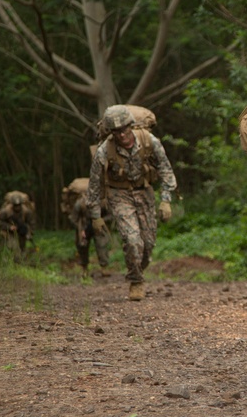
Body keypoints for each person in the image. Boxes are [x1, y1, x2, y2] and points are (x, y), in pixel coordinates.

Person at [87, 105, 177, 301]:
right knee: (132, 239)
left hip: (144, 191)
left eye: (125, 129)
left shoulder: (148, 140)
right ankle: (136, 281)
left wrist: (166, 200)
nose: (122, 135)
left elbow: (165, 169)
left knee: (148, 243)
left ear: (132, 126)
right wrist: (95, 216)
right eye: (116, 132)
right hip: (119, 195)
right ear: (110, 133)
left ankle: (138, 268)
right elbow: (94, 185)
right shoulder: (104, 150)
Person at [62, 177, 111, 275]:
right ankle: (84, 269)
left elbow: (110, 215)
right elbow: (73, 218)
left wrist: (102, 221)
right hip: (84, 226)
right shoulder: (80, 203)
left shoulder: (102, 202)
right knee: (82, 247)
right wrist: (80, 228)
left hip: (98, 225)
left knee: (102, 246)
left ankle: (104, 267)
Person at [0, 190, 36, 260]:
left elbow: (31, 223)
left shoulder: (26, 211)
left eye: (19, 205)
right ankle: (15, 260)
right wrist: (9, 227)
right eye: (15, 206)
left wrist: (30, 233)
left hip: (21, 232)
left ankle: (22, 261)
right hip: (10, 232)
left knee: (22, 247)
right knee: (14, 247)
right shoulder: (6, 211)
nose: (17, 207)